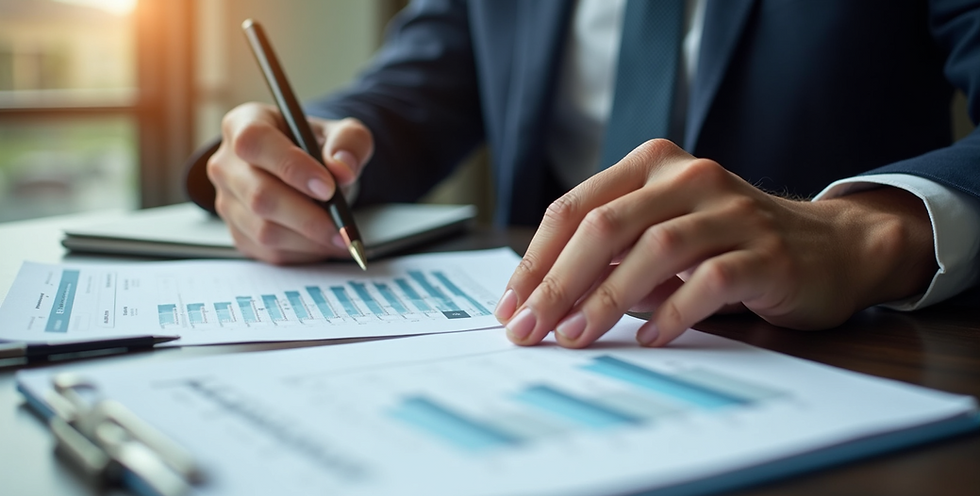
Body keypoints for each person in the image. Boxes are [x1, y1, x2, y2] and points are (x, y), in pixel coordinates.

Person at [187, 0, 980, 349]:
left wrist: (866, 233)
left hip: (838, 354)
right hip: (545, 349)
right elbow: (409, 90)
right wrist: (304, 150)